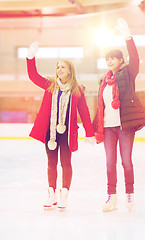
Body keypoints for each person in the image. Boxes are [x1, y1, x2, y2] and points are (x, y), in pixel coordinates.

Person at [26, 41, 95, 210]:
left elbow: (84, 112)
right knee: (51, 163)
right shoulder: (50, 85)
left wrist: (90, 132)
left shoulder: (77, 89)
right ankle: (52, 194)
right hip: (50, 132)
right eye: (58, 67)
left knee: (66, 163)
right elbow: (33, 76)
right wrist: (30, 57)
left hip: (67, 132)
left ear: (70, 70)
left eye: (63, 67)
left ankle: (64, 194)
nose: (59, 70)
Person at [94, 18, 145, 212]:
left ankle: (129, 194)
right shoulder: (103, 80)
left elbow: (135, 59)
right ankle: (111, 197)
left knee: (126, 161)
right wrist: (92, 130)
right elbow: (101, 107)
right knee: (110, 163)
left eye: (113, 58)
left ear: (120, 60)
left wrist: (128, 38)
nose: (109, 61)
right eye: (107, 59)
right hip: (108, 127)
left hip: (124, 127)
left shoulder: (128, 74)